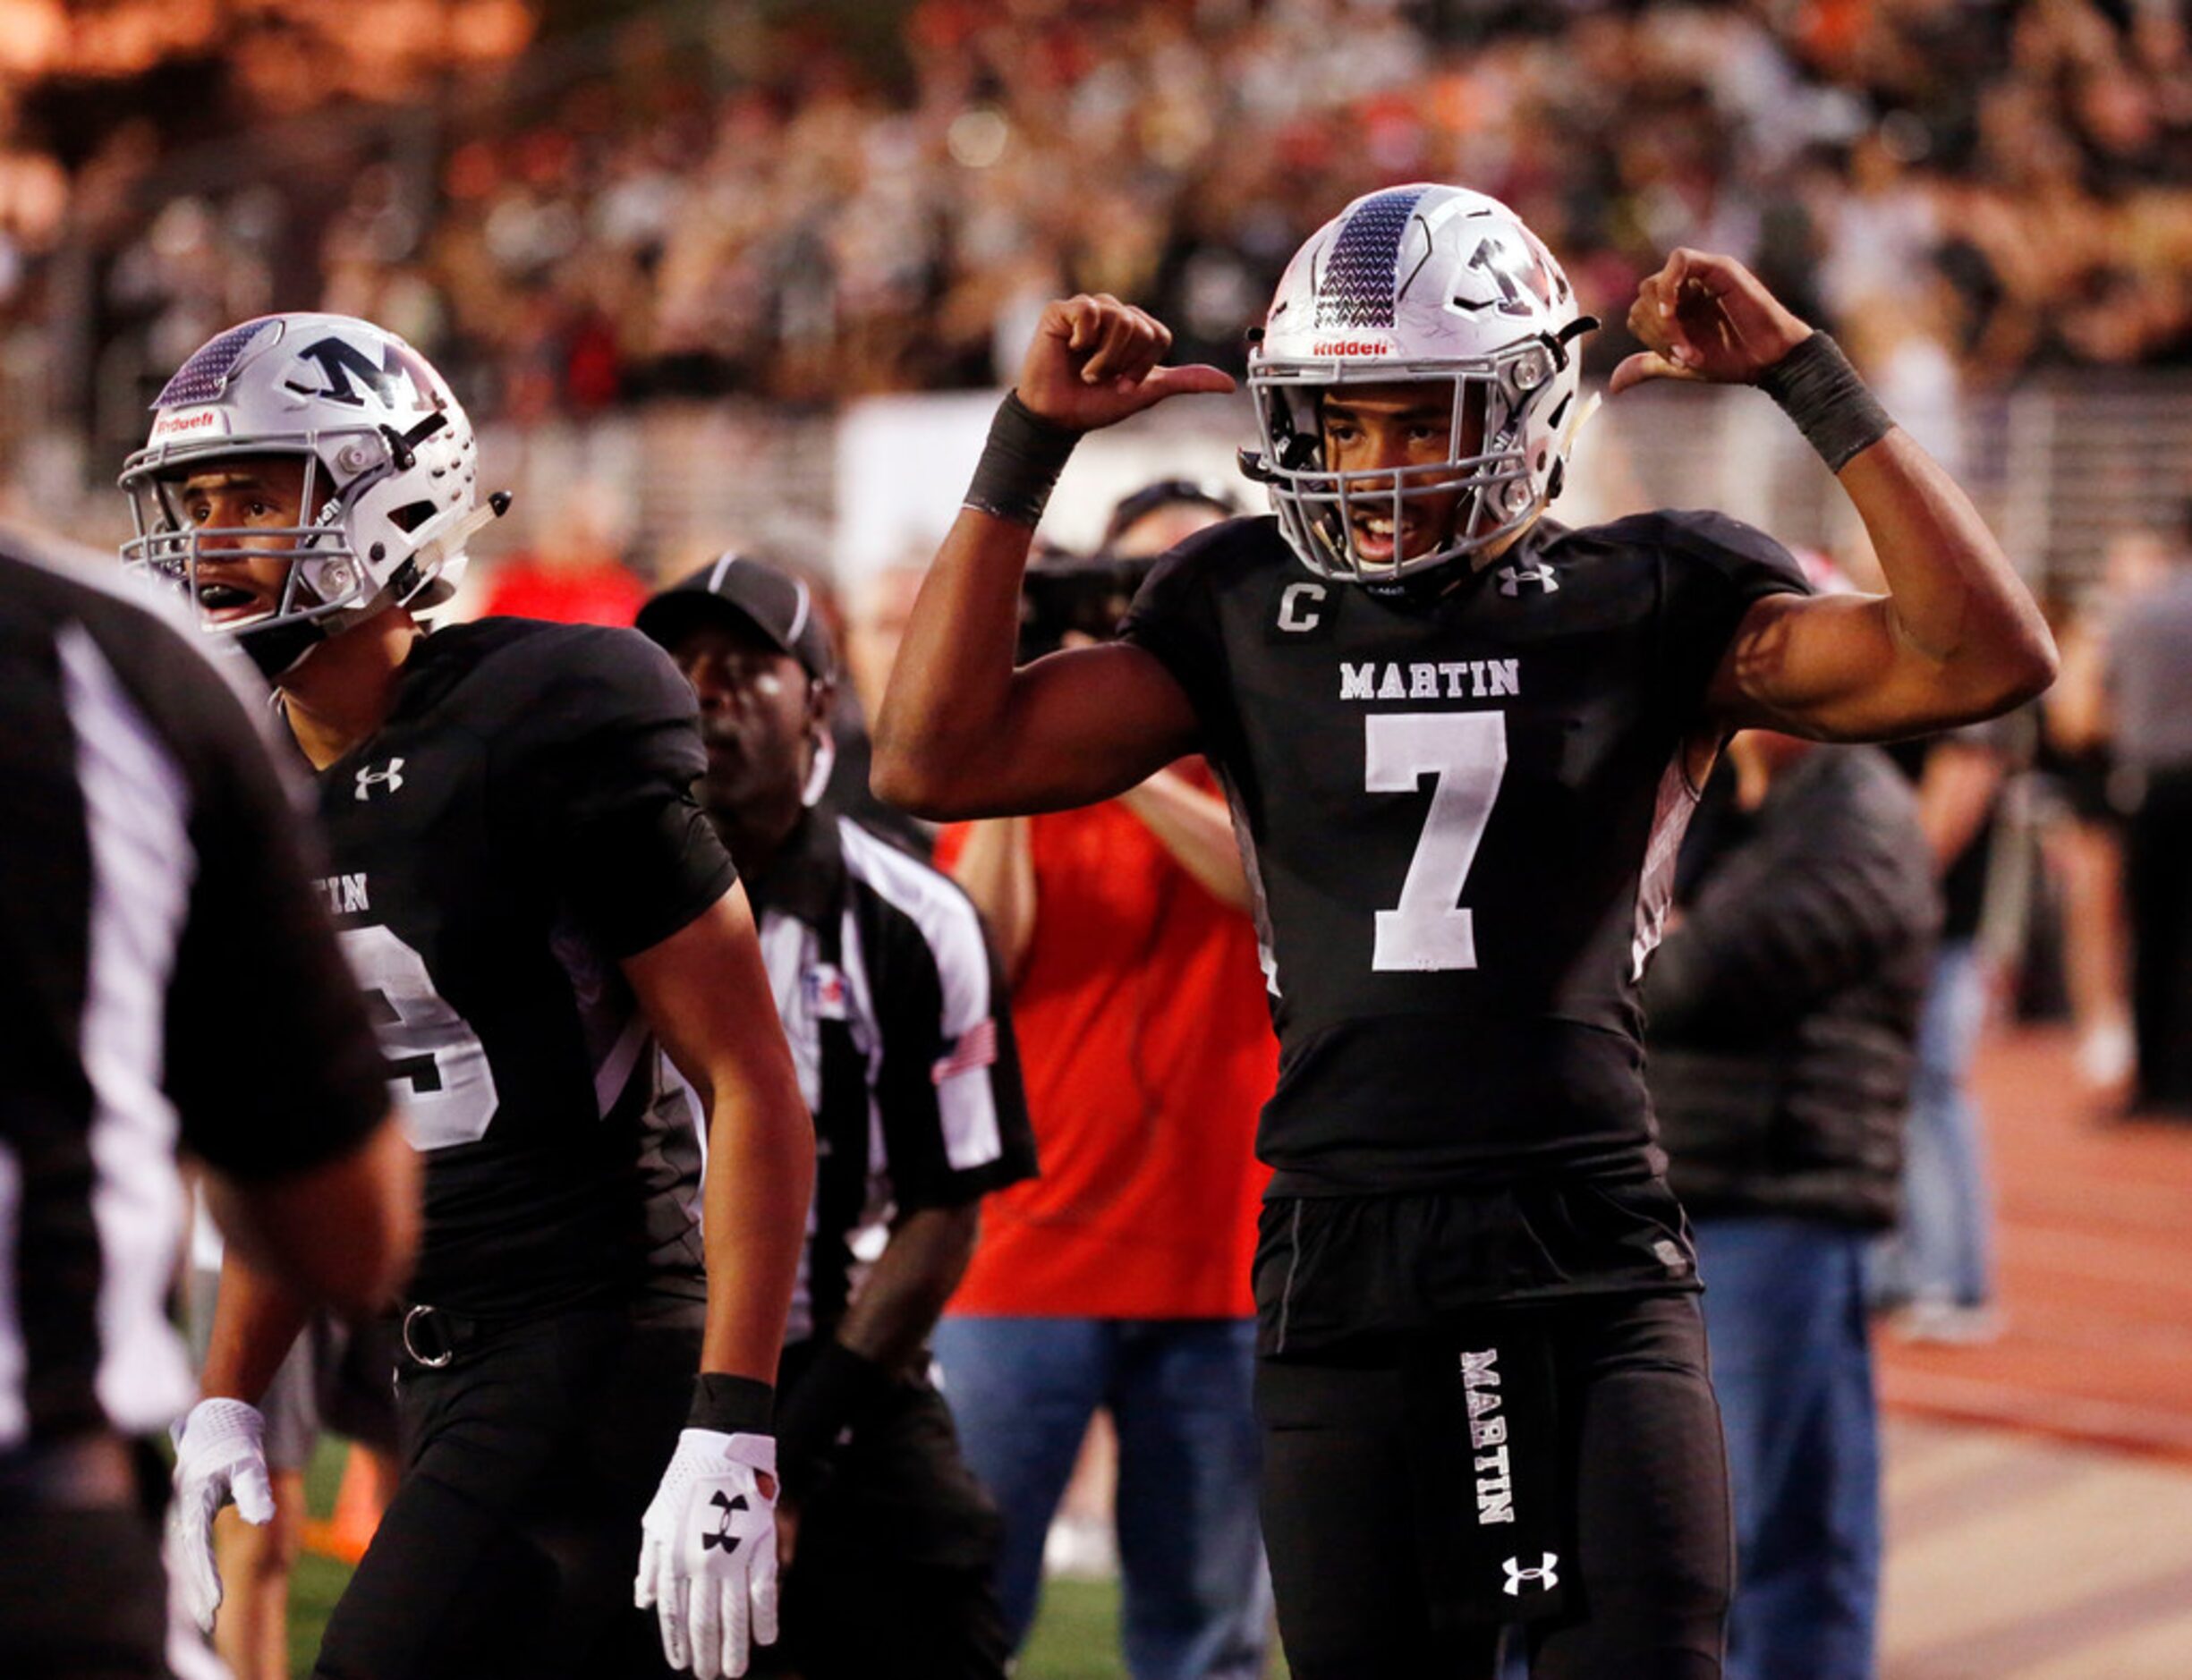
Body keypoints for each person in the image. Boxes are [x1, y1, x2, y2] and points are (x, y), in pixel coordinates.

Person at [873, 182, 2056, 1679]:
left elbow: (1986, 653)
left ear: (1524, 402)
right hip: (1343, 1244)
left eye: (1420, 413)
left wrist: (1806, 376)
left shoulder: (1652, 587)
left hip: (1586, 1241)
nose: (1376, 464)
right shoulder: (1241, 598)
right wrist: (1026, 447)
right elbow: (937, 756)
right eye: (1342, 420)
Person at [123, 312, 814, 1680]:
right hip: (428, 1365)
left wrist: (735, 1416)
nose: (213, 540)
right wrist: (227, 1396)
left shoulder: (542, 713)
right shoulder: (238, 771)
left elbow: (748, 1078)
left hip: (599, 1337)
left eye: (256, 496)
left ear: (393, 491)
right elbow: (307, 1120)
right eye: (194, 504)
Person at [0, 529, 416, 1680]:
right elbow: (349, 1235)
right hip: (40, 1508)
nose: (225, 531)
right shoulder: (115, 657)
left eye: (257, 495)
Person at [636, 553, 1037, 1679]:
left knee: (941, 1603)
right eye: (676, 665)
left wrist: (787, 1452)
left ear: (820, 699)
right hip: (631, 1370)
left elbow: (944, 1211)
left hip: (845, 1383)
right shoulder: (574, 912)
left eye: (740, 667)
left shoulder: (911, 916)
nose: (700, 689)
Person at [931, 494, 1278, 1680]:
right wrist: (1043, 736)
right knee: (959, 1613)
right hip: (1024, 1254)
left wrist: (1114, 751)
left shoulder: (1274, 745)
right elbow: (978, 948)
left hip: (1222, 1255)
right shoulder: (1030, 755)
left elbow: (1260, 881)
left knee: (1207, 1633)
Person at [1646, 721, 1939, 1680]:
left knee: (1760, 1522)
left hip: (1778, 1194)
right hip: (1735, 1193)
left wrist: (1641, 945)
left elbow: (1697, 976)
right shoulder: (1743, 801)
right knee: (1790, 1515)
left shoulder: (1853, 810)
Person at [2103, 510, 2192, 1115]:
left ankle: (2150, 1081)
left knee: (2148, 935)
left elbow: (2105, 699)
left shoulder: (2139, 608)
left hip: (2148, 785)